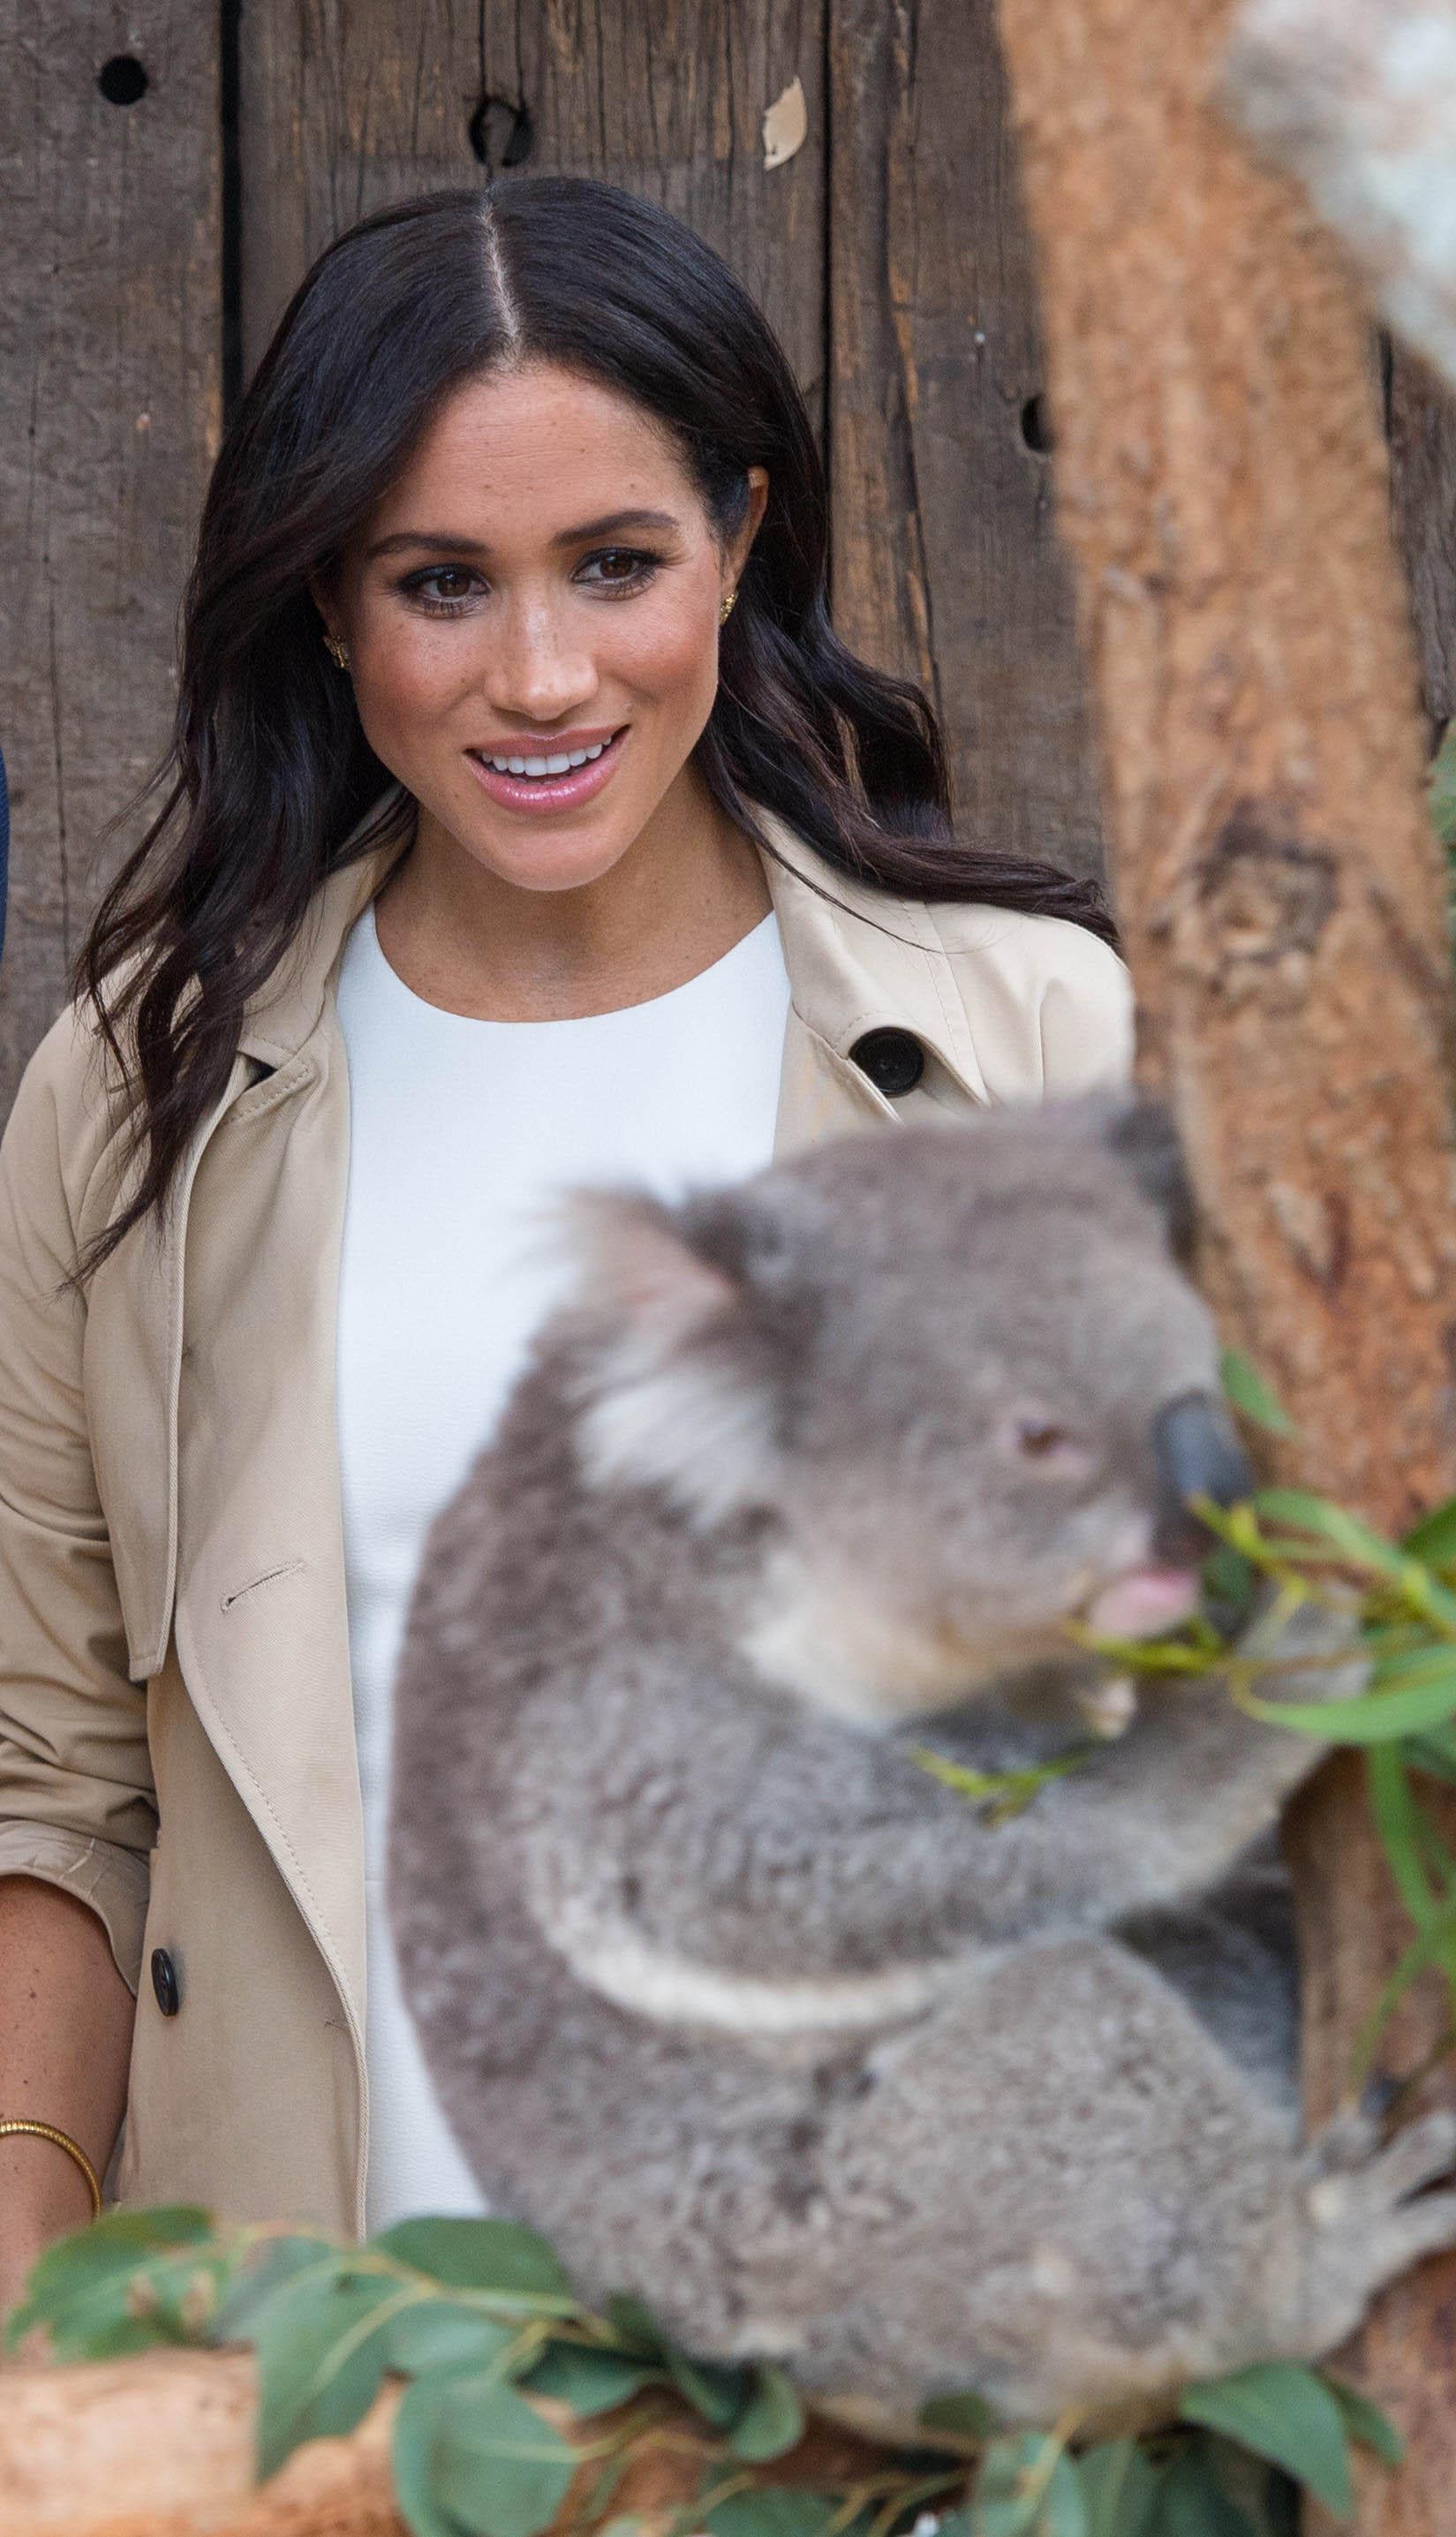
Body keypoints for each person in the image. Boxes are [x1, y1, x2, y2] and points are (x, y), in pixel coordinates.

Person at [0, 173, 1133, 2307]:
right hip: (289, 2373)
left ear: (740, 544)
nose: (539, 675)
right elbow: (48, 1775)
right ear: (330, 609)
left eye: (614, 564)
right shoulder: (136, 1093)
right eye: (443, 582)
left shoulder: (1040, 1049)